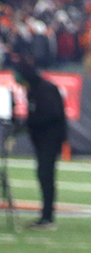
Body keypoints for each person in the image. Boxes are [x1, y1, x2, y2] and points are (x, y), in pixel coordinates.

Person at [10, 55, 67, 231]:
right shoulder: (35, 89)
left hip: (49, 140)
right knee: (43, 175)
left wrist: (29, 124)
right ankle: (45, 216)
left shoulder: (45, 89)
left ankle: (47, 217)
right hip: (42, 140)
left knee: (46, 175)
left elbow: (51, 115)